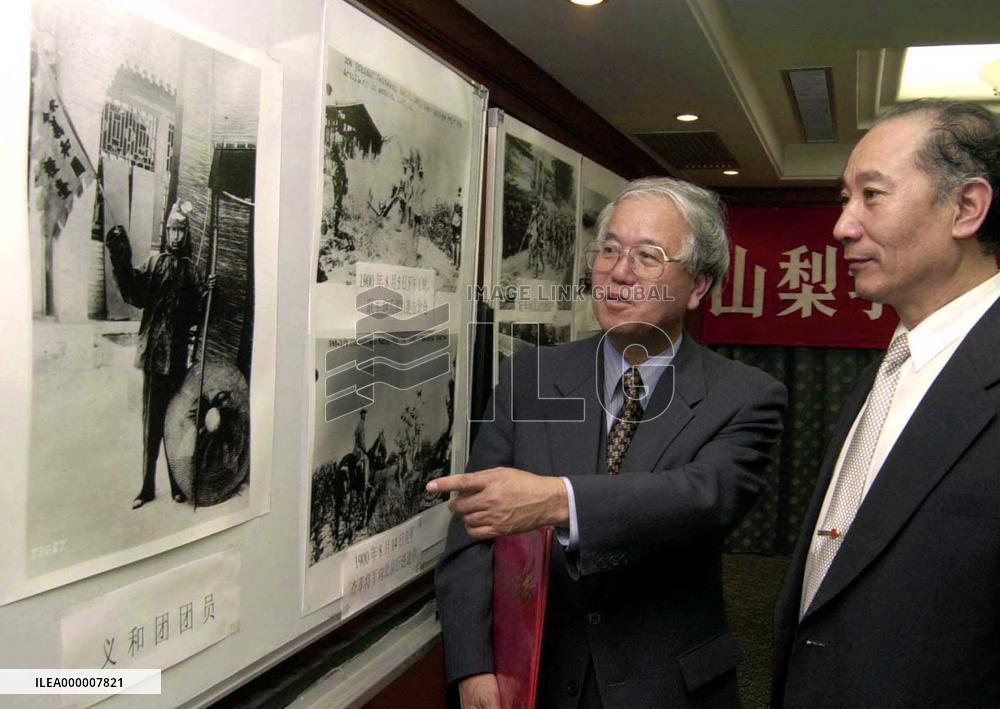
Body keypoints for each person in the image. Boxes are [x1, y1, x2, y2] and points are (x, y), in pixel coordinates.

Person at [431, 177, 787, 708]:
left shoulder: (745, 395)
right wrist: (475, 665)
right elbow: (474, 531)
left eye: (649, 256)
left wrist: (556, 501)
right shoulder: (530, 377)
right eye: (610, 251)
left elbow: (702, 499)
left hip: (667, 686)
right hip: (534, 677)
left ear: (698, 287)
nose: (619, 273)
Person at [772, 100, 1000, 707]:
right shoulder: (883, 370)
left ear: (966, 207)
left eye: (871, 195)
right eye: (844, 200)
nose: (843, 226)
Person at [105, 201, 213, 509]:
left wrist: (207, 293)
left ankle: (177, 484)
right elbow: (133, 292)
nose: (175, 236)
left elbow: (196, 315)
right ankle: (147, 488)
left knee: (175, 423)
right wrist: (119, 253)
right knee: (152, 426)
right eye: (171, 230)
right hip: (154, 357)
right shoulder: (154, 265)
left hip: (177, 359)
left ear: (187, 233)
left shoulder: (192, 272)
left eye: (180, 230)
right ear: (165, 232)